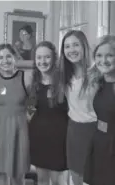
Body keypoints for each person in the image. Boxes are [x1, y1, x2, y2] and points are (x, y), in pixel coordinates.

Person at [83, 35, 115, 185]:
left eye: (109, 55)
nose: (103, 61)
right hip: (98, 142)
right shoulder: (98, 81)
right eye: (99, 55)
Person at [0, 43, 33, 185]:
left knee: (18, 173)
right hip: (1, 129)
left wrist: (29, 117)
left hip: (20, 129)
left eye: (8, 56)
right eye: (0, 57)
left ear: (15, 57)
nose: (5, 60)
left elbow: (34, 104)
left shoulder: (26, 77)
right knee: (1, 170)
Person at [59, 30, 98, 185]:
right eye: (67, 46)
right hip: (73, 130)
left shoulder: (97, 73)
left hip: (94, 131)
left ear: (84, 47)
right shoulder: (64, 74)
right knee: (76, 177)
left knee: (93, 177)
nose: (71, 50)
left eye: (75, 45)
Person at [28, 41, 68, 185]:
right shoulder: (33, 81)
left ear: (54, 58)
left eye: (47, 57)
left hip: (59, 138)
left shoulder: (64, 81)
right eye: (39, 58)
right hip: (38, 136)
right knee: (42, 179)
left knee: (58, 180)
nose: (42, 61)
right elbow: (30, 109)